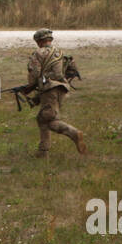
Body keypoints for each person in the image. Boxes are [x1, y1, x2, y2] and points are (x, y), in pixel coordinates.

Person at [23, 29, 85, 158]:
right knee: (46, 118)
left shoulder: (38, 53)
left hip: (49, 89)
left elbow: (34, 74)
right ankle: (43, 151)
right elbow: (69, 70)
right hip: (61, 89)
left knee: (46, 119)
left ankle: (73, 134)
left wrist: (28, 87)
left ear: (39, 41)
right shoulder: (60, 52)